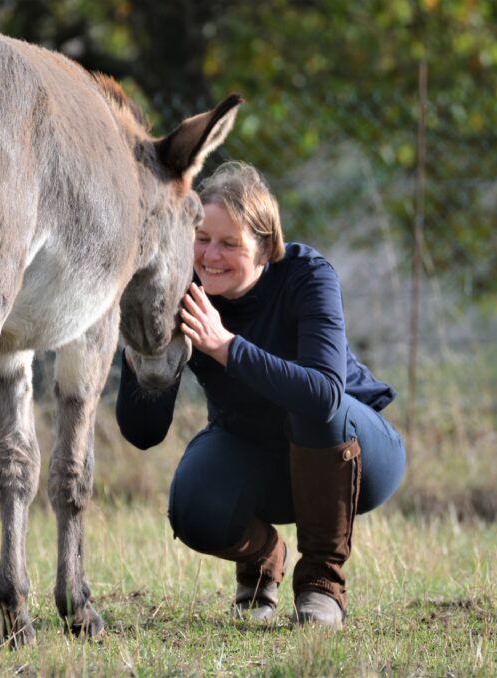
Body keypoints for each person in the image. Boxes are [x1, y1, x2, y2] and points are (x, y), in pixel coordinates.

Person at [116, 161, 406, 627]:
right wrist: (140, 353)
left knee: (313, 405)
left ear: (266, 247)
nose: (211, 255)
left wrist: (225, 346)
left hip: (351, 458)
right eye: (202, 239)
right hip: (254, 449)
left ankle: (321, 584)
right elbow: (144, 432)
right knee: (193, 507)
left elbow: (324, 398)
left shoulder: (307, 275)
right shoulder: (182, 289)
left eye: (230, 244)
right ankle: (264, 559)